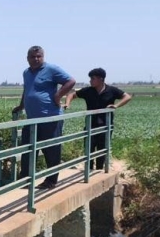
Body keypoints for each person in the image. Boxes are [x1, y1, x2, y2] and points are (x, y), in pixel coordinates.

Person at [12, 46, 75, 191]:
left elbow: (70, 81)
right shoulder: (26, 73)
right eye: (33, 57)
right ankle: (25, 179)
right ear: (27, 58)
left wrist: (58, 95)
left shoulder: (52, 69)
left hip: (50, 118)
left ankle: (51, 180)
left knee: (51, 150)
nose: (36, 59)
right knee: (28, 148)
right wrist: (21, 105)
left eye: (39, 56)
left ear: (43, 56)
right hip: (31, 119)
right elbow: (27, 90)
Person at [64, 68, 132, 169]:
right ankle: (89, 170)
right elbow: (71, 95)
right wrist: (67, 104)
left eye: (93, 78)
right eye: (90, 78)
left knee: (102, 150)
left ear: (101, 79)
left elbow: (127, 97)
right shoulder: (88, 91)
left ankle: (99, 170)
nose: (90, 81)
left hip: (106, 126)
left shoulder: (111, 90)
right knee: (89, 149)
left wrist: (116, 105)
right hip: (90, 125)